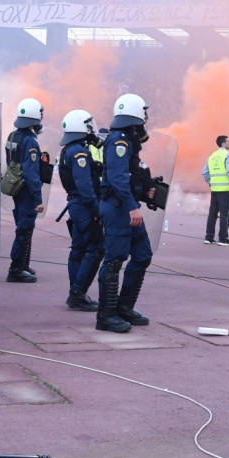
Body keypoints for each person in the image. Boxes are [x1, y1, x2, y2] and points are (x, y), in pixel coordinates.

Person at [95, 94, 158, 333]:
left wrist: (145, 189)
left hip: (127, 205)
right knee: (114, 260)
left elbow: (130, 175)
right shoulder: (118, 141)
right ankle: (106, 316)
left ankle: (124, 307)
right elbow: (118, 177)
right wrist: (133, 206)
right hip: (119, 208)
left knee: (142, 255)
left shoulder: (128, 141)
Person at [59, 109, 103, 312]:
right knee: (95, 248)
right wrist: (95, 208)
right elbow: (85, 185)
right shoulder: (78, 152)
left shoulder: (69, 149)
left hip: (75, 205)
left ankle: (75, 291)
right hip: (84, 206)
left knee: (78, 249)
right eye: (88, 125)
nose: (90, 129)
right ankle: (77, 293)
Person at [5, 97, 46, 283]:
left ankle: (23, 264)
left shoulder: (12, 136)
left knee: (23, 227)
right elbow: (31, 172)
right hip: (27, 191)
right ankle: (16, 269)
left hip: (16, 188)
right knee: (24, 228)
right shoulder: (31, 142)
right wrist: (38, 197)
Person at [202, 135, 229, 245]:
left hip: (215, 189)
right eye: (228, 141)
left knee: (212, 213)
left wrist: (211, 183)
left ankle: (209, 237)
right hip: (225, 189)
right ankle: (223, 238)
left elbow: (204, 173)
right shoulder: (227, 155)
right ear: (223, 144)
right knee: (225, 214)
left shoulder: (212, 156)